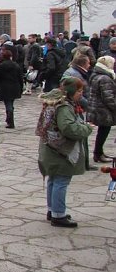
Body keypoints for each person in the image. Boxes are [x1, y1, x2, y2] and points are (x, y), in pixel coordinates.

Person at [36, 76, 93, 227]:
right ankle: (58, 215)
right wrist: (87, 128)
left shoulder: (54, 102)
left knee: (54, 180)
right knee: (61, 180)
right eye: (79, 90)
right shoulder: (64, 106)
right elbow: (69, 128)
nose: (81, 93)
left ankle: (52, 210)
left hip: (50, 147)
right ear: (72, 91)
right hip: (61, 150)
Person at [88, 56, 116, 163]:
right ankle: (98, 153)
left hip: (97, 107)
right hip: (103, 110)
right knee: (103, 131)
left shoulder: (96, 75)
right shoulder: (105, 78)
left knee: (102, 131)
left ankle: (99, 152)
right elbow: (109, 97)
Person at [0, 47, 24, 129]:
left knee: (8, 104)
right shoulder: (16, 65)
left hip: (4, 87)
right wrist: (21, 87)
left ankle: (10, 121)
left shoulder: (1, 66)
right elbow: (20, 78)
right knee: (10, 103)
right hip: (15, 86)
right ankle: (9, 119)